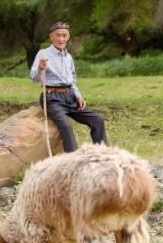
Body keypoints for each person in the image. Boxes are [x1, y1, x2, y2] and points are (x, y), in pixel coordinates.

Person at [30, 21, 107, 153]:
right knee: (66, 126)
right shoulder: (43, 54)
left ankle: (103, 154)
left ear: (68, 37)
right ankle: (73, 159)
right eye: (58, 35)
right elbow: (33, 77)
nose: (61, 39)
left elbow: (72, 81)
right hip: (52, 98)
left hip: (70, 97)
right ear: (51, 37)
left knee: (97, 120)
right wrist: (40, 68)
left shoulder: (68, 57)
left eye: (64, 35)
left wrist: (78, 96)